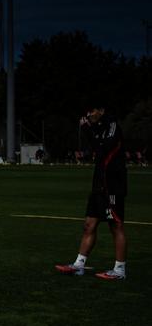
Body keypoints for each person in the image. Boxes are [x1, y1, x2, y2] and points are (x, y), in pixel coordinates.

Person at [56, 103, 128, 280]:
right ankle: (79, 265)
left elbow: (102, 150)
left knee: (116, 226)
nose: (89, 114)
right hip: (99, 185)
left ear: (102, 110)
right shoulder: (99, 128)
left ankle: (119, 270)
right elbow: (95, 147)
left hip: (113, 184)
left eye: (92, 110)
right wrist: (89, 130)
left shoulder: (112, 126)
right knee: (89, 224)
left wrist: (88, 130)